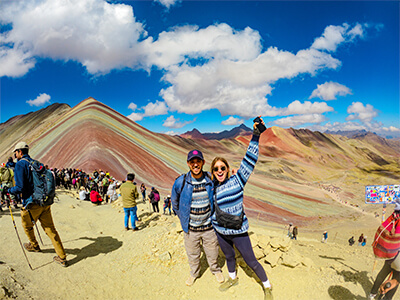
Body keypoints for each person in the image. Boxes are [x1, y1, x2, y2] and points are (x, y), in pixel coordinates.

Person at [210, 118, 273, 300]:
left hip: (238, 230)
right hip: (221, 231)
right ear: (213, 172)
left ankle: (267, 286)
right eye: (216, 169)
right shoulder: (212, 187)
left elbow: (249, 160)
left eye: (222, 168)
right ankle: (233, 278)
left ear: (228, 169)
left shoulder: (238, 180)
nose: (219, 171)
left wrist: (255, 135)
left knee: (251, 260)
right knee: (229, 256)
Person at [6, 141, 68, 267]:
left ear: (20, 152)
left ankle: (34, 245)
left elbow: (20, 187)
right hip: (44, 202)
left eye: (15, 153)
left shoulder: (20, 165)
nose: (15, 155)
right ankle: (62, 256)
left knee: (27, 226)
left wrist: (9, 190)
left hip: (31, 203)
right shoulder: (35, 163)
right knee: (51, 229)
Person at [171, 149, 224, 286]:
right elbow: (174, 201)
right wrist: (183, 218)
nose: (195, 164)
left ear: (203, 163)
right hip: (191, 229)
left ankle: (215, 270)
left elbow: (223, 182)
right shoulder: (181, 181)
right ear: (188, 164)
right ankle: (194, 273)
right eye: (192, 162)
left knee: (212, 252)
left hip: (208, 227)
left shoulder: (210, 179)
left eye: (198, 161)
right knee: (193, 254)